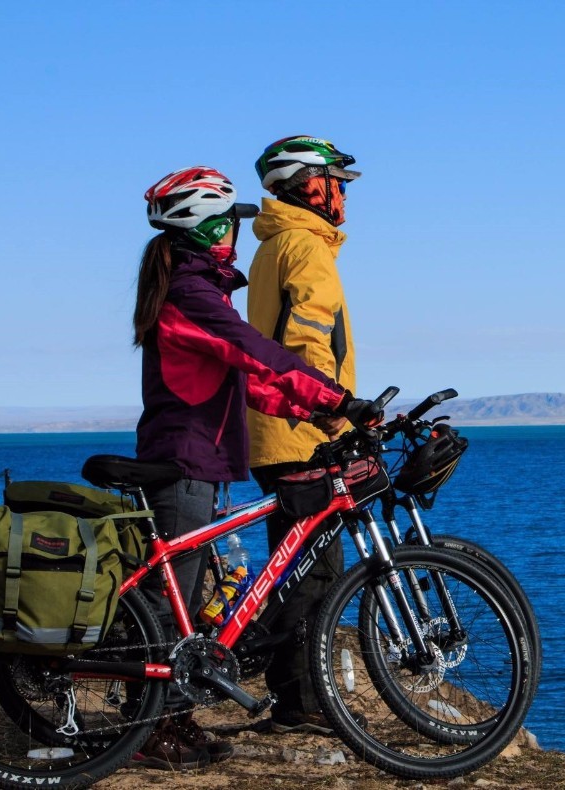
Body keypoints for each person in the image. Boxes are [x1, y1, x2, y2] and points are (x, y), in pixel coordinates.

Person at [132, 165, 381, 768]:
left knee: (187, 600)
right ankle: (146, 731)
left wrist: (309, 410)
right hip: (181, 461)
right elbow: (256, 351)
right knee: (175, 602)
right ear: (207, 224)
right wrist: (334, 399)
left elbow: (246, 382)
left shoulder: (195, 288)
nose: (234, 234)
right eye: (226, 221)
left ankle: (176, 718)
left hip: (200, 462)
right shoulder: (191, 294)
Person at [245, 136, 361, 734]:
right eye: (336, 181)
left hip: (275, 429)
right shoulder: (305, 247)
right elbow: (309, 342)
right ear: (309, 184)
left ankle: (294, 698)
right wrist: (336, 414)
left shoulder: (274, 244)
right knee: (315, 576)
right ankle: (303, 707)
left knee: (295, 568)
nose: (343, 193)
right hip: (302, 432)